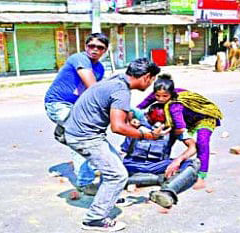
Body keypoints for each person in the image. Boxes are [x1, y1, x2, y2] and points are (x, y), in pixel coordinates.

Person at [63, 58, 167, 231]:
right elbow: (117, 127)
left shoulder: (117, 79)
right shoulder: (121, 91)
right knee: (117, 175)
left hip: (78, 131)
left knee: (115, 163)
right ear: (146, 77)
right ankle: (94, 219)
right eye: (153, 81)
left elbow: (114, 109)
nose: (151, 85)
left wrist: (131, 119)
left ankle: (108, 197)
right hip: (85, 137)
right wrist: (147, 134)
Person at [44, 33, 109, 194]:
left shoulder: (100, 68)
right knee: (81, 138)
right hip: (58, 104)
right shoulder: (79, 59)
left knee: (89, 133)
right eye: (91, 46)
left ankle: (63, 130)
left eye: (99, 47)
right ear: (85, 47)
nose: (94, 50)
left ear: (105, 51)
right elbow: (94, 89)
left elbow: (94, 95)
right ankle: (85, 183)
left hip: (75, 108)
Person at [137, 74, 223, 190]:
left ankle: (201, 176)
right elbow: (142, 105)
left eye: (164, 96)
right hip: (187, 117)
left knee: (202, 142)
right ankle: (161, 165)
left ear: (171, 94)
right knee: (169, 136)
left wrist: (169, 132)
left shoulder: (174, 107)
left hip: (204, 118)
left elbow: (180, 128)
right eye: (157, 96)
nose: (160, 99)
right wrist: (133, 116)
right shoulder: (160, 92)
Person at [122, 103, 200, 209]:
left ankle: (165, 192)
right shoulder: (136, 122)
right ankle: (159, 180)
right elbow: (123, 108)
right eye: (153, 120)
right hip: (131, 164)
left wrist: (177, 161)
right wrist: (130, 123)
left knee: (193, 164)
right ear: (147, 116)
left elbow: (193, 147)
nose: (157, 125)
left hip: (157, 165)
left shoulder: (173, 127)